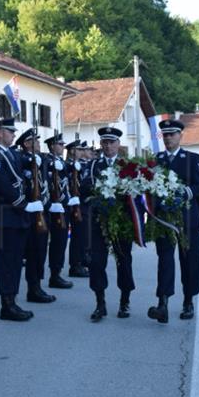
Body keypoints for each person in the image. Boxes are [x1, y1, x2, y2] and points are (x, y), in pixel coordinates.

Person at [0, 118, 40, 321]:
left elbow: (22, 164)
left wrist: (34, 159)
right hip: (5, 214)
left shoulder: (10, 153)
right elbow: (3, 185)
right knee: (6, 261)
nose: (14, 135)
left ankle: (12, 300)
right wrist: (24, 204)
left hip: (16, 216)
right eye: (10, 131)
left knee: (15, 260)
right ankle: (6, 305)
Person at [149, 119, 199, 323]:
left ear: (180, 136)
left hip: (187, 218)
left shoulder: (191, 158)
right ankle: (162, 303)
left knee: (188, 261)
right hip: (164, 220)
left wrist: (185, 193)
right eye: (165, 135)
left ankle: (188, 301)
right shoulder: (157, 160)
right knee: (164, 261)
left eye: (172, 134)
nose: (168, 138)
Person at [80, 127, 135, 322]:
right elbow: (84, 187)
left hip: (121, 221)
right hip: (99, 220)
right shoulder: (93, 165)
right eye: (105, 142)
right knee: (96, 262)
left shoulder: (127, 165)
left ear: (118, 144)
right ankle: (100, 303)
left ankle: (124, 301)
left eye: (112, 142)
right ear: (101, 144)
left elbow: (136, 194)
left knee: (124, 260)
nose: (108, 146)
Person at [16, 128, 57, 304]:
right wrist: (29, 160)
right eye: (35, 141)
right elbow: (21, 167)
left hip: (42, 210)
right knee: (33, 251)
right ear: (26, 144)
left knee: (41, 250)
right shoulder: (21, 158)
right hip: (30, 212)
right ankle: (33, 288)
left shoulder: (42, 159)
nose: (39, 144)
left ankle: (37, 285)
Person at [44, 133, 75, 290]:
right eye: (60, 145)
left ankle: (57, 273)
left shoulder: (61, 162)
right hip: (53, 207)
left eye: (63, 145)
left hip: (63, 206)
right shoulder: (48, 161)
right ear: (52, 146)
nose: (63, 147)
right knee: (56, 241)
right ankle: (53, 274)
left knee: (61, 241)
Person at [65, 140, 90, 278]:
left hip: (80, 202)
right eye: (79, 149)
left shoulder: (79, 165)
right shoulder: (68, 165)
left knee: (81, 234)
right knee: (77, 235)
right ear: (72, 151)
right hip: (72, 203)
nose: (82, 152)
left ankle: (80, 261)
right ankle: (75, 265)